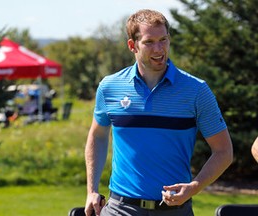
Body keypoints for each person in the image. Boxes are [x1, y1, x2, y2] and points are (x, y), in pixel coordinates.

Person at [85, 9, 233, 216]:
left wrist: (194, 186)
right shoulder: (110, 87)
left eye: (163, 40)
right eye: (149, 42)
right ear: (132, 46)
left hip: (175, 211)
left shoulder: (196, 90)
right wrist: (91, 191)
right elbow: (97, 135)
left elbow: (224, 151)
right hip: (120, 208)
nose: (159, 48)